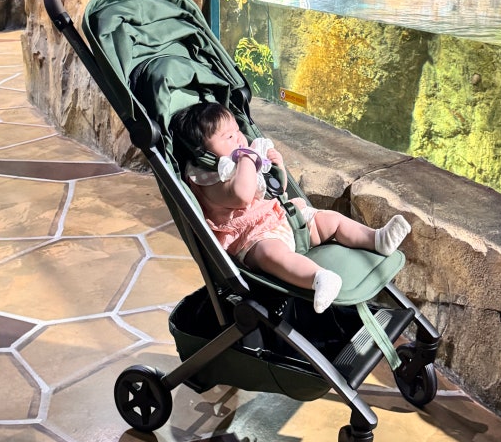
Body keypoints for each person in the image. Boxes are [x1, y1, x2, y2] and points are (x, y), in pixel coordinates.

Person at [171, 102, 411, 313]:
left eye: (238, 130)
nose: (240, 138)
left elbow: (276, 188)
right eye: (229, 137)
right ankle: (318, 278)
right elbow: (242, 196)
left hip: (284, 217)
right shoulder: (209, 179)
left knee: (331, 220)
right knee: (273, 255)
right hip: (255, 238)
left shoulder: (241, 160)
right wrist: (248, 157)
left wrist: (277, 167)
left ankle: (377, 239)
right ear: (202, 153)